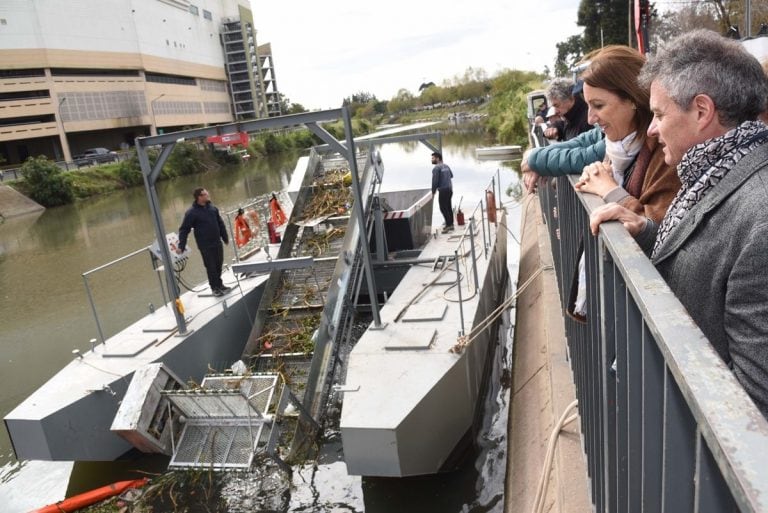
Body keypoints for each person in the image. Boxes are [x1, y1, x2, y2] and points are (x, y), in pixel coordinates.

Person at [589, 30, 768, 418]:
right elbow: (699, 256)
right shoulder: (714, 170)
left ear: (702, 112)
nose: (651, 129)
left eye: (658, 114)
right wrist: (643, 228)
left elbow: (754, 401)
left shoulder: (760, 212)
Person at [178, 187, 231, 297]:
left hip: (217, 242)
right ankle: (214, 288)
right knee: (210, 266)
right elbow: (184, 229)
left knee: (218, 264)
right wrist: (181, 246)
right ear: (199, 197)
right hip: (205, 245)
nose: (208, 195)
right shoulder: (192, 213)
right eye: (205, 194)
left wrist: (225, 237)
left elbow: (220, 223)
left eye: (207, 193)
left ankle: (220, 285)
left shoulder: (212, 208)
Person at [543, 77, 592, 141]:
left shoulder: (587, 120)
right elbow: (566, 125)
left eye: (556, 105)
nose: (555, 111)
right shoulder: (571, 114)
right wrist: (555, 127)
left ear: (569, 98)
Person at [431, 151, 454, 233]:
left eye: (433, 158)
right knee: (448, 207)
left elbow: (435, 181)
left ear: (437, 158)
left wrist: (433, 192)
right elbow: (451, 175)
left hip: (443, 190)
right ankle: (451, 224)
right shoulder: (446, 166)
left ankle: (448, 225)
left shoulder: (436, 168)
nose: (432, 160)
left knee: (443, 208)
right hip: (450, 189)